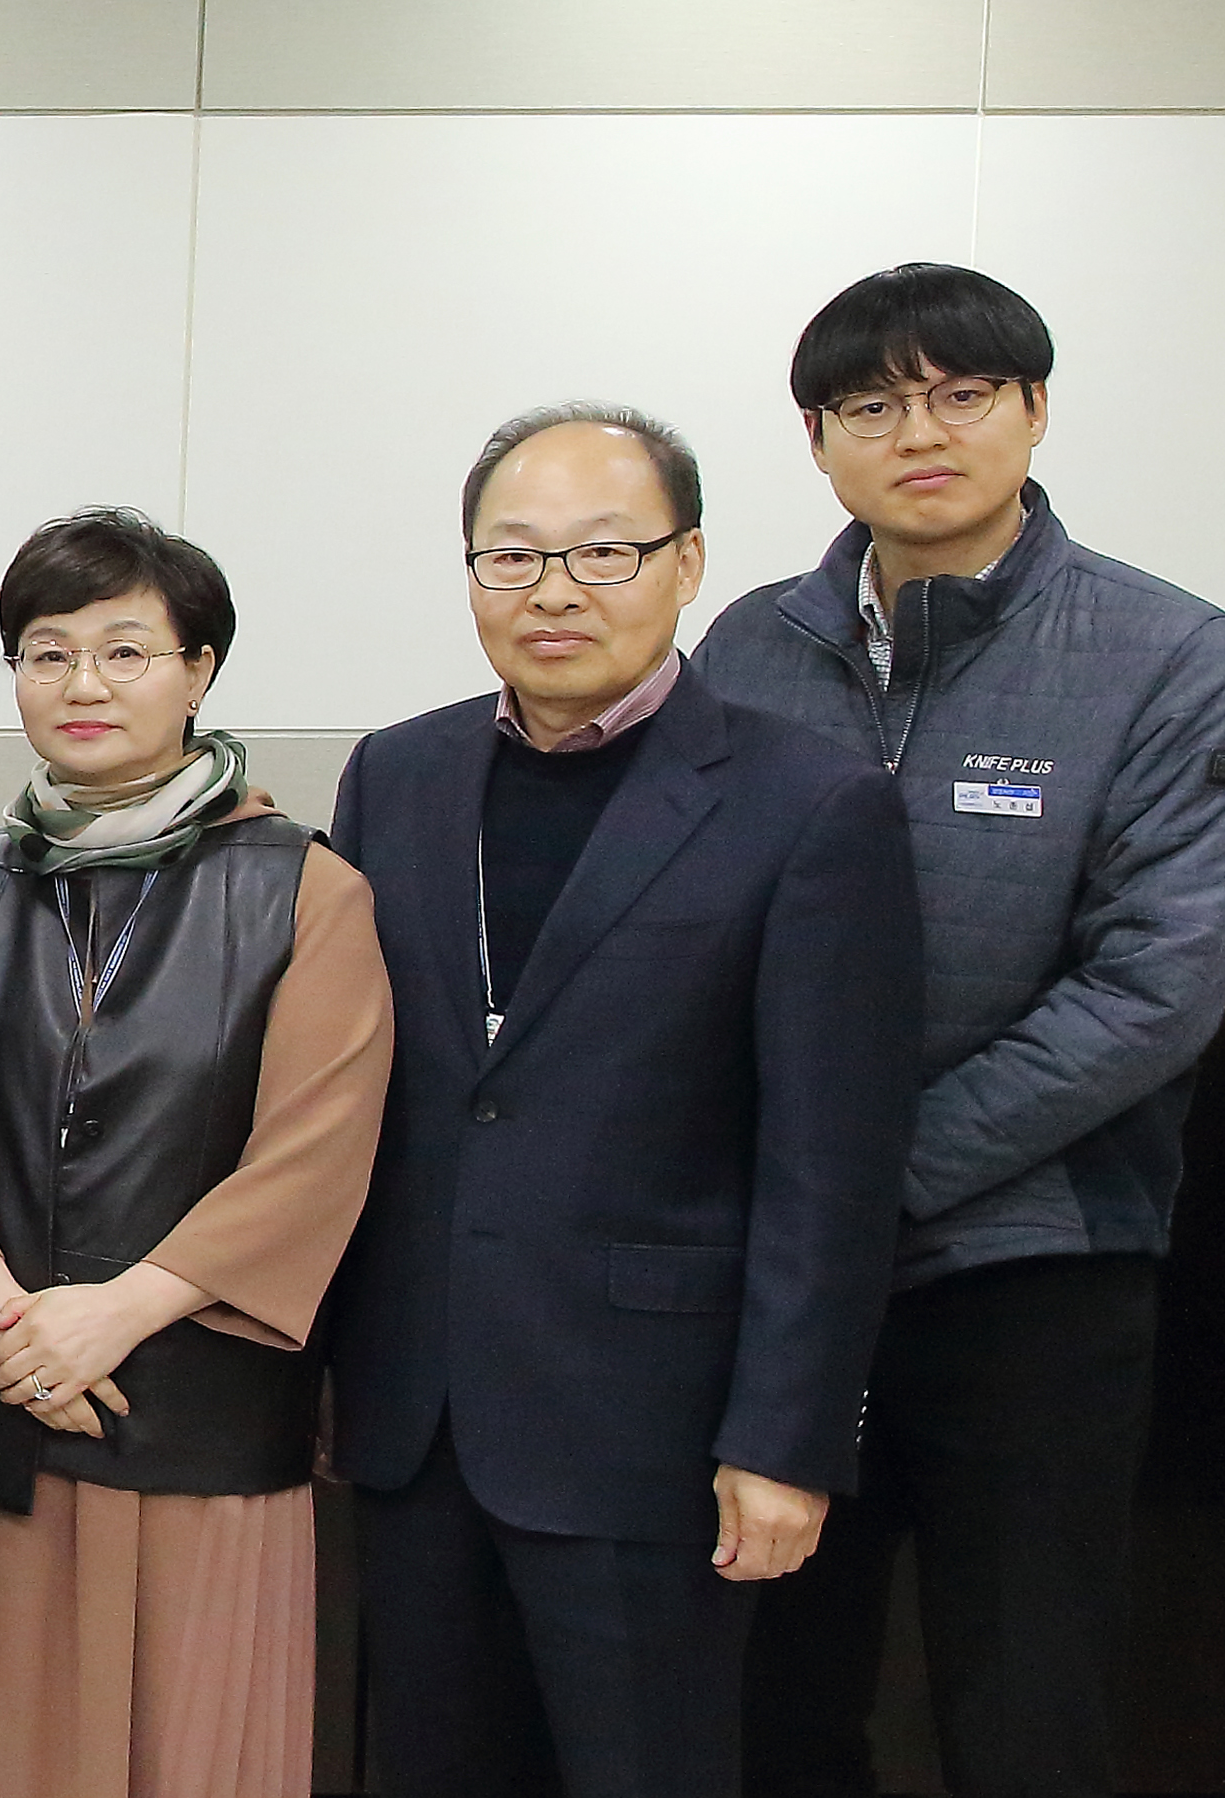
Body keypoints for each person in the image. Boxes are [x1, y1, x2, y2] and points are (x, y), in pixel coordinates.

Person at [697, 263, 1225, 1798]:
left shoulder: (1167, 650)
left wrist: (867, 1177)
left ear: (1034, 409)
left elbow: (1152, 992)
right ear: (818, 439)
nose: (921, 432)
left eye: (962, 393)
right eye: (871, 404)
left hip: (1034, 1268)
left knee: (1026, 1705)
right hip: (786, 1284)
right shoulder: (748, 647)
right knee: (772, 1699)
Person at [327, 403, 921, 1798]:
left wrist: (784, 1441)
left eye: (603, 552)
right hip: (417, 1414)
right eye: (511, 555)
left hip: (649, 1426)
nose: (552, 591)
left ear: (687, 561)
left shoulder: (808, 803)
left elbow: (831, 1168)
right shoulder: (395, 773)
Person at [0, 512, 387, 1797]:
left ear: (198, 669)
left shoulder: (304, 888)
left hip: (195, 1426)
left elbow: (313, 1152)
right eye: (47, 654)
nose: (82, 685)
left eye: (123, 651)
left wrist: (115, 1315)